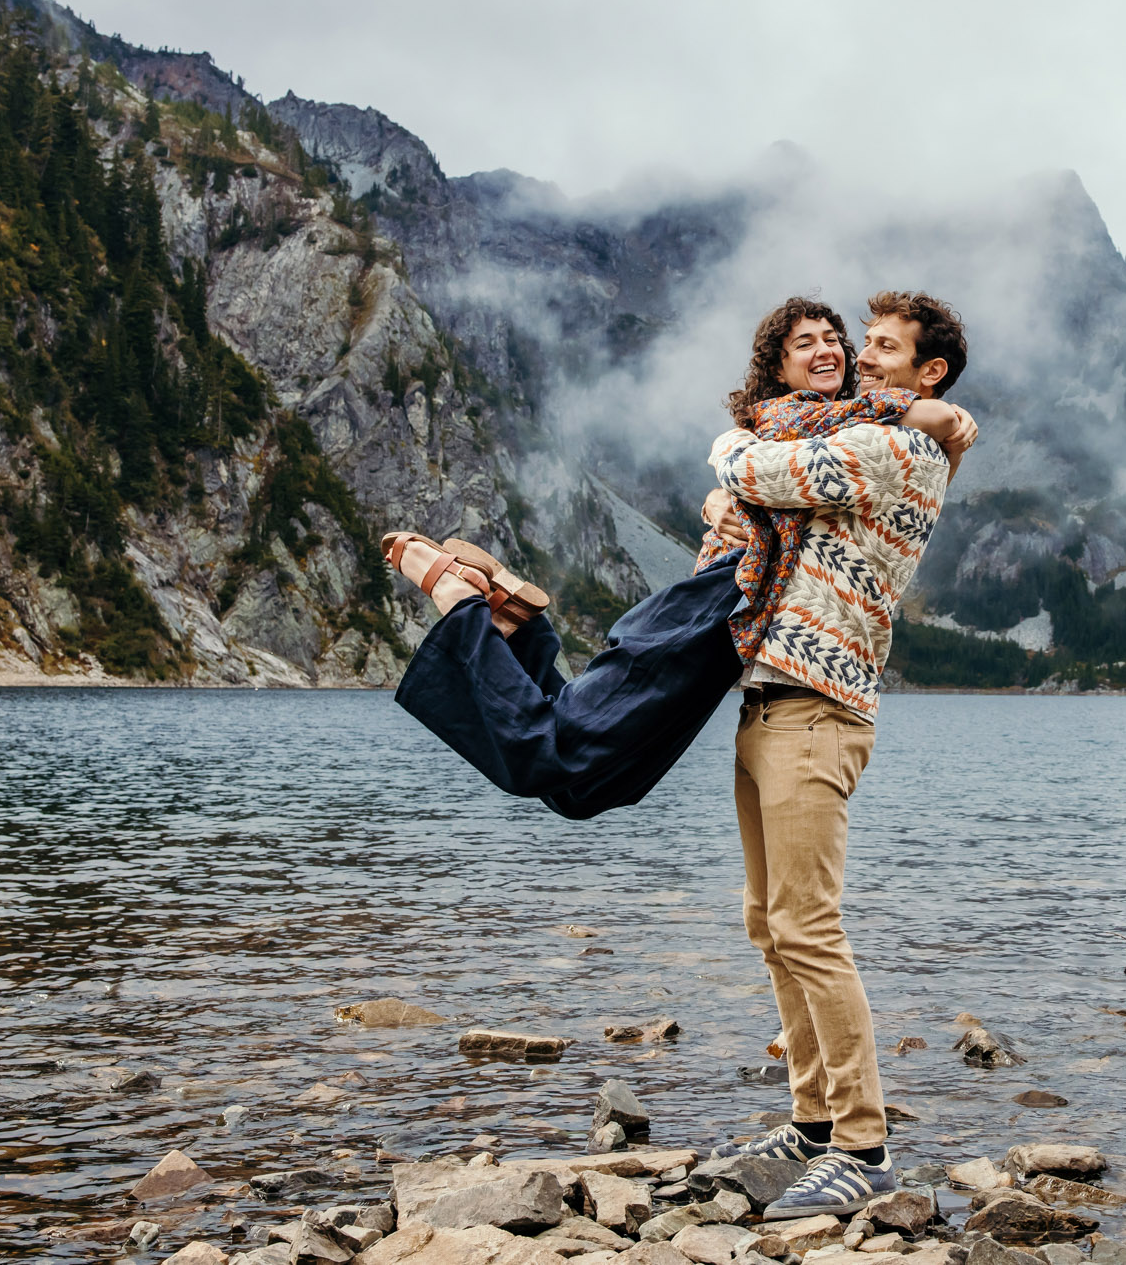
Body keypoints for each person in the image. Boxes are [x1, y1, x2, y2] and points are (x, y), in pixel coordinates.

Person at [379, 296, 973, 821]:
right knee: (560, 758)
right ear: (777, 368)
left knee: (588, 785)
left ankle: (515, 626)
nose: (842, 353)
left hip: (727, 613)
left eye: (839, 341)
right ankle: (464, 605)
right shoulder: (798, 421)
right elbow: (754, 466)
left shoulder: (856, 424)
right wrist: (726, 475)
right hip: (720, 601)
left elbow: (886, 501)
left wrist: (930, 423)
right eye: (807, 343)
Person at [696, 290, 971, 1221]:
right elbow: (760, 485)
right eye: (866, 345)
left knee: (809, 927)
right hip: (769, 700)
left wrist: (730, 455)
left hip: (819, 710)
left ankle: (863, 1143)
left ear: (928, 372)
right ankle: (810, 1122)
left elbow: (770, 470)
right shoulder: (874, 423)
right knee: (767, 921)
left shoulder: (898, 449)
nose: (862, 360)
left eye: (884, 350)